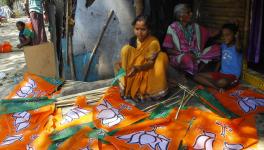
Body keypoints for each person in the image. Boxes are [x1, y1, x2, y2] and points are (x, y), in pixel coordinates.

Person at [116, 15, 169, 102]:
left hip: (147, 70)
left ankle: (153, 91)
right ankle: (124, 86)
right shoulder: (133, 40)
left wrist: (137, 68)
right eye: (137, 29)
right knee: (126, 49)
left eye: (143, 30)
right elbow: (131, 58)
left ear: (149, 30)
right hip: (133, 71)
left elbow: (151, 63)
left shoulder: (153, 42)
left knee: (162, 56)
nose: (139, 33)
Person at [163, 4, 220, 76]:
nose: (191, 14)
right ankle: (195, 74)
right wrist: (184, 53)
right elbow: (169, 50)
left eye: (190, 12)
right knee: (187, 59)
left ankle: (197, 72)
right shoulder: (172, 28)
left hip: (197, 55)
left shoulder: (195, 26)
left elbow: (211, 33)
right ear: (181, 16)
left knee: (217, 48)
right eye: (188, 12)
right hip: (180, 57)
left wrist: (226, 26)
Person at [194, 23, 242, 91]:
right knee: (196, 76)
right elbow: (220, 60)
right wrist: (215, 73)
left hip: (232, 76)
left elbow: (239, 47)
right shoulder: (223, 46)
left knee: (222, 82)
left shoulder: (237, 47)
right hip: (221, 74)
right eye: (223, 35)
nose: (225, 37)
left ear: (235, 35)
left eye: (228, 35)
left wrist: (238, 36)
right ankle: (217, 87)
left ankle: (216, 84)